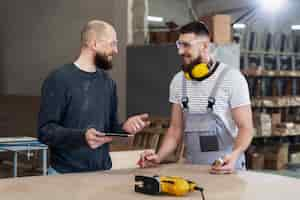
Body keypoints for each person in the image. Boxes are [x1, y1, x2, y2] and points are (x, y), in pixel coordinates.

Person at [138, 21, 253, 174]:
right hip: (193, 170)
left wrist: (234, 155)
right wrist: (158, 157)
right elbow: (175, 130)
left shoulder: (232, 78)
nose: (180, 51)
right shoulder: (179, 81)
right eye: (179, 45)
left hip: (228, 169)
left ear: (205, 46)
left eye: (186, 45)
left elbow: (246, 128)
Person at [38, 20, 150, 174]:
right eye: (112, 44)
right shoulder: (59, 79)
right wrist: (82, 136)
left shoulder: (108, 83)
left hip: (101, 174)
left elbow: (109, 128)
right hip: (64, 176)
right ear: (94, 44)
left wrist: (124, 128)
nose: (116, 50)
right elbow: (45, 131)